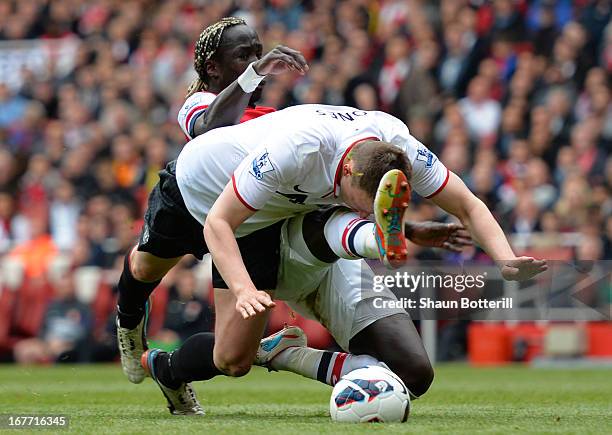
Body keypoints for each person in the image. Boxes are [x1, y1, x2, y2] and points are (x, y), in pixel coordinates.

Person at [116, 16, 472, 405]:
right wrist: (255, 72)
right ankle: (129, 326)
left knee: (233, 358)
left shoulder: (277, 120)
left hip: (252, 222)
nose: (255, 63)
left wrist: (404, 225)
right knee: (144, 268)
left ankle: (207, 361)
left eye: (256, 54)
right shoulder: (198, 103)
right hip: (190, 198)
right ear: (213, 68)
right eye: (243, 57)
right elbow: (210, 128)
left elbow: (325, 193)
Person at [134, 101, 546, 415]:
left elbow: (468, 203)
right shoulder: (296, 149)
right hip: (251, 223)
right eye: (367, 206)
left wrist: (505, 258)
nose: (368, 209)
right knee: (233, 359)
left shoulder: (396, 145)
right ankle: (369, 242)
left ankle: (275, 353)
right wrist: (242, 289)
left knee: (413, 375)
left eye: (377, 212)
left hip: (326, 239)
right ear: (346, 169)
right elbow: (220, 222)